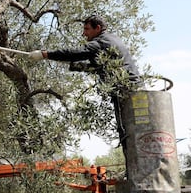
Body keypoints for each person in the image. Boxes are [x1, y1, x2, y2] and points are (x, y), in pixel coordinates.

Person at [29, 15, 143, 161]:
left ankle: (134, 169)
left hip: (124, 91)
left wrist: (46, 54)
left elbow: (77, 52)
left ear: (98, 28)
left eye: (87, 29)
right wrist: (81, 67)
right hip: (133, 88)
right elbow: (103, 66)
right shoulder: (112, 39)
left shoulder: (100, 41)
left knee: (126, 131)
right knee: (135, 130)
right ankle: (135, 167)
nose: (84, 33)